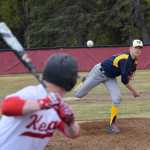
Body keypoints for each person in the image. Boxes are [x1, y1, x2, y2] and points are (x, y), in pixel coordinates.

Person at [0, 53, 80, 150]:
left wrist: (70, 122)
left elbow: (73, 134)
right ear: (72, 80)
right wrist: (43, 103)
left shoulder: (58, 106)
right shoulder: (32, 93)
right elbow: (6, 107)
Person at [75, 39, 143, 133]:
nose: (138, 50)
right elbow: (124, 80)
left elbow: (129, 74)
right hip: (99, 72)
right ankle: (85, 79)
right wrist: (134, 91)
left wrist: (129, 75)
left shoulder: (135, 62)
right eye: (136, 47)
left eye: (140, 48)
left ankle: (112, 125)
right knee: (78, 95)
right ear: (131, 48)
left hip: (110, 78)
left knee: (117, 98)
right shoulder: (125, 59)